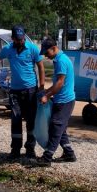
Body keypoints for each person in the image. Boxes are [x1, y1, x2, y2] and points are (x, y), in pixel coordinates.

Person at [0, 25, 44, 160]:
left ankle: (30, 149)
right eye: (17, 39)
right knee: (15, 120)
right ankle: (15, 150)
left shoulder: (33, 48)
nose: (20, 41)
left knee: (31, 121)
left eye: (22, 39)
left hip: (30, 90)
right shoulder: (9, 49)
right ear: (13, 39)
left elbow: (40, 66)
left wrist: (42, 87)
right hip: (15, 90)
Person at [36, 36, 76, 165]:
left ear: (54, 48)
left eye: (47, 53)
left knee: (55, 126)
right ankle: (69, 154)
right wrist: (46, 92)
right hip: (62, 99)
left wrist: (46, 96)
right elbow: (57, 84)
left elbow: (60, 83)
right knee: (61, 128)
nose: (46, 56)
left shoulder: (61, 61)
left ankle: (47, 157)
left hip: (65, 101)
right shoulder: (60, 59)